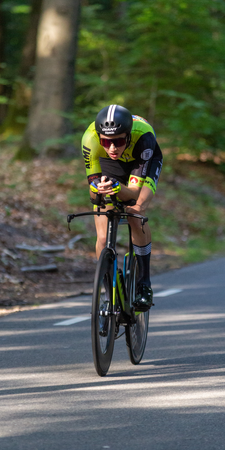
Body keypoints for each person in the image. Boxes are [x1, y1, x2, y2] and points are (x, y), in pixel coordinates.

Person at [81, 104, 163, 311]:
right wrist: (98, 189)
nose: (112, 148)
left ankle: (144, 283)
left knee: (135, 211)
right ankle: (109, 292)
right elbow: (93, 196)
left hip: (141, 160)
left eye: (117, 141)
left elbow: (133, 193)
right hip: (110, 166)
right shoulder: (90, 140)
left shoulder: (143, 138)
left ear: (127, 135)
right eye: (106, 142)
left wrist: (117, 188)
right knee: (101, 236)